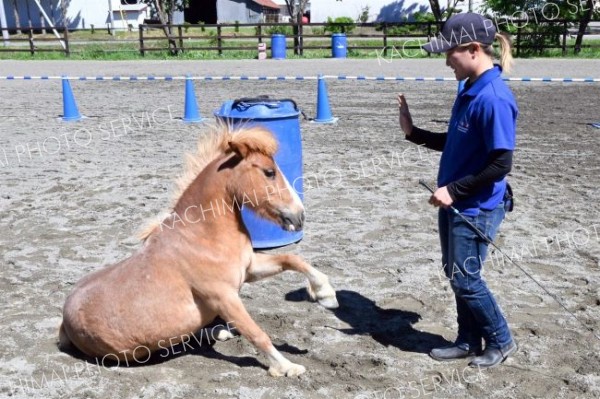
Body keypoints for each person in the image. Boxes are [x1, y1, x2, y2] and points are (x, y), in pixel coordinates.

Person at [398, 13, 518, 368]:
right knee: (456, 274)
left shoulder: (494, 98)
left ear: (472, 49)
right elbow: (458, 143)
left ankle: (500, 339)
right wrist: (413, 133)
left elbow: (500, 164)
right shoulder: (468, 88)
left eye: (449, 52)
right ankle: (468, 340)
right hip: (457, 202)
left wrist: (453, 190)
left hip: (476, 206)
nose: (445, 59)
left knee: (466, 279)